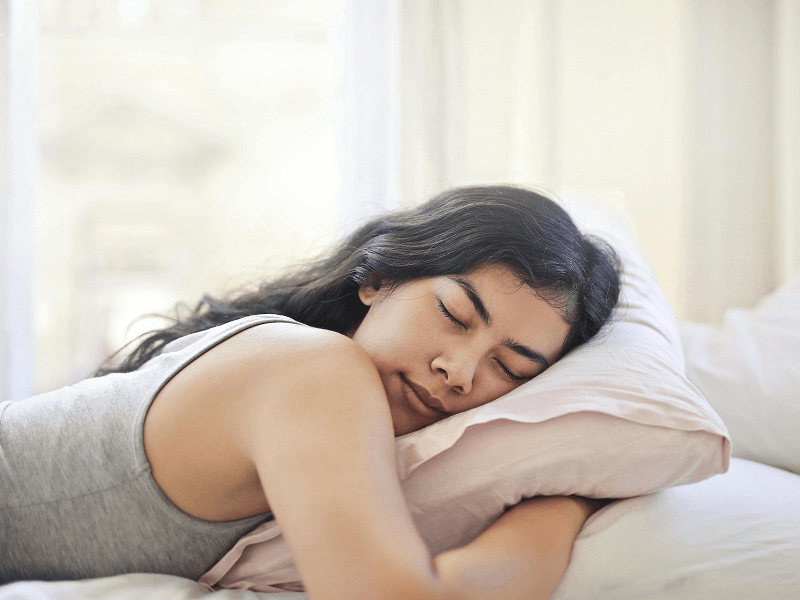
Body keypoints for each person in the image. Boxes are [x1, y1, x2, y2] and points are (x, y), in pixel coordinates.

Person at [0, 185, 621, 600]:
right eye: (455, 315)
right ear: (379, 279)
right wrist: (564, 503)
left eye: (509, 368)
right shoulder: (315, 370)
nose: (460, 371)